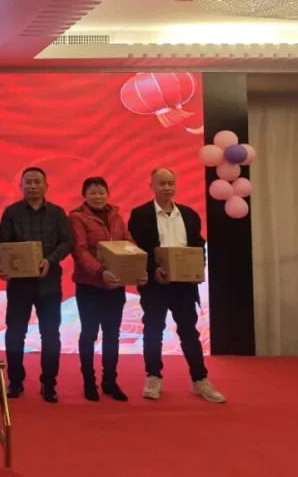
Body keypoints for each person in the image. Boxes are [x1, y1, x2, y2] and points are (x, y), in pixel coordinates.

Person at [128, 168, 225, 403]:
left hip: (184, 285)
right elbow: (135, 249)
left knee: (189, 332)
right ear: (151, 186)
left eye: (171, 183)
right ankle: (153, 376)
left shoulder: (189, 215)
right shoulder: (140, 214)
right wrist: (153, 270)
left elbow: (198, 245)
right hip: (155, 284)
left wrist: (197, 268)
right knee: (153, 330)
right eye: (161, 183)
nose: (167, 188)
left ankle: (199, 379)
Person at [0, 167, 71, 403]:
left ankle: (49, 383)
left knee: (50, 334)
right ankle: (15, 381)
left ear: (46, 186)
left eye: (37, 182)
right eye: (28, 182)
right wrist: (0, 265)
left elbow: (67, 242)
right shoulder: (12, 212)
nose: (32, 186)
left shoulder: (57, 213)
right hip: (19, 285)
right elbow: (2, 246)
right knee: (15, 333)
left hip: (49, 283)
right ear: (21, 186)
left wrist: (50, 260)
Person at [69, 176, 139, 402]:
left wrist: (137, 264)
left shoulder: (116, 215)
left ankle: (110, 381)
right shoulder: (77, 217)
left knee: (112, 334)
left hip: (115, 285)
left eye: (101, 192)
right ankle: (89, 382)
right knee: (89, 333)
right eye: (92, 192)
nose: (98, 196)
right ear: (84, 195)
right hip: (89, 285)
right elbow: (79, 251)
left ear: (107, 194)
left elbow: (128, 243)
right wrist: (100, 272)